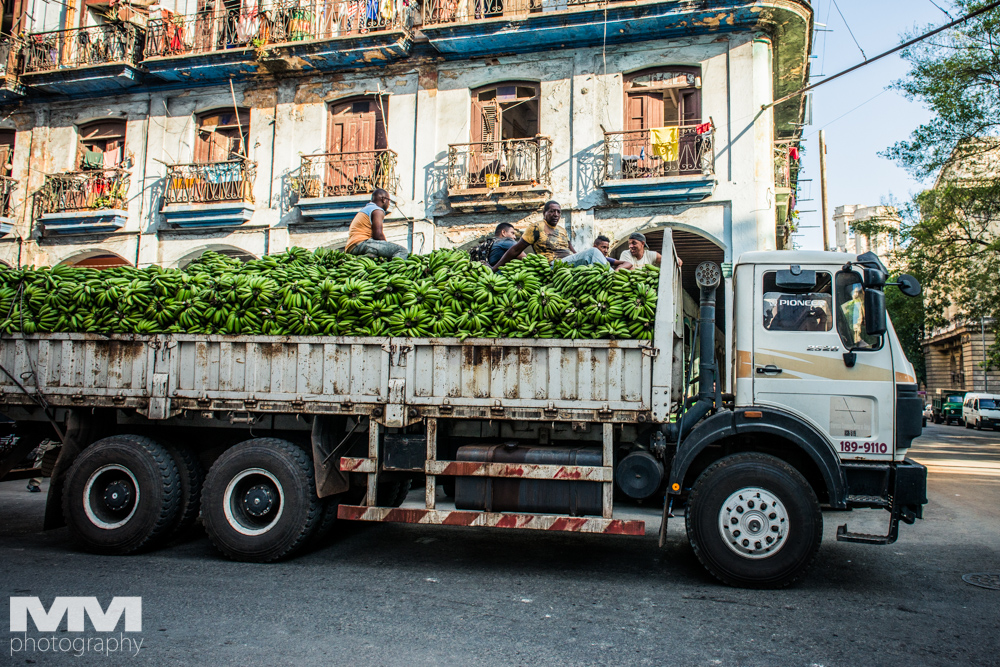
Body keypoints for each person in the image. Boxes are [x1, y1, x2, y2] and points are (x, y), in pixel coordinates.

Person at [491, 201, 606, 270]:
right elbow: (515, 250)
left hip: (570, 262)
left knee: (592, 258)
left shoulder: (562, 230)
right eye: (552, 211)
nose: (556, 214)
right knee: (594, 252)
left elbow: (573, 251)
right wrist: (494, 268)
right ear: (544, 213)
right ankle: (610, 277)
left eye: (558, 212)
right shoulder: (536, 227)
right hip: (554, 265)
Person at [345, 188, 408, 260]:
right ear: (384, 199)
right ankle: (395, 269)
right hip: (362, 244)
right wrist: (386, 248)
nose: (389, 203)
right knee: (401, 251)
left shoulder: (367, 209)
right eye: (388, 200)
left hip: (351, 247)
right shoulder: (377, 210)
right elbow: (378, 234)